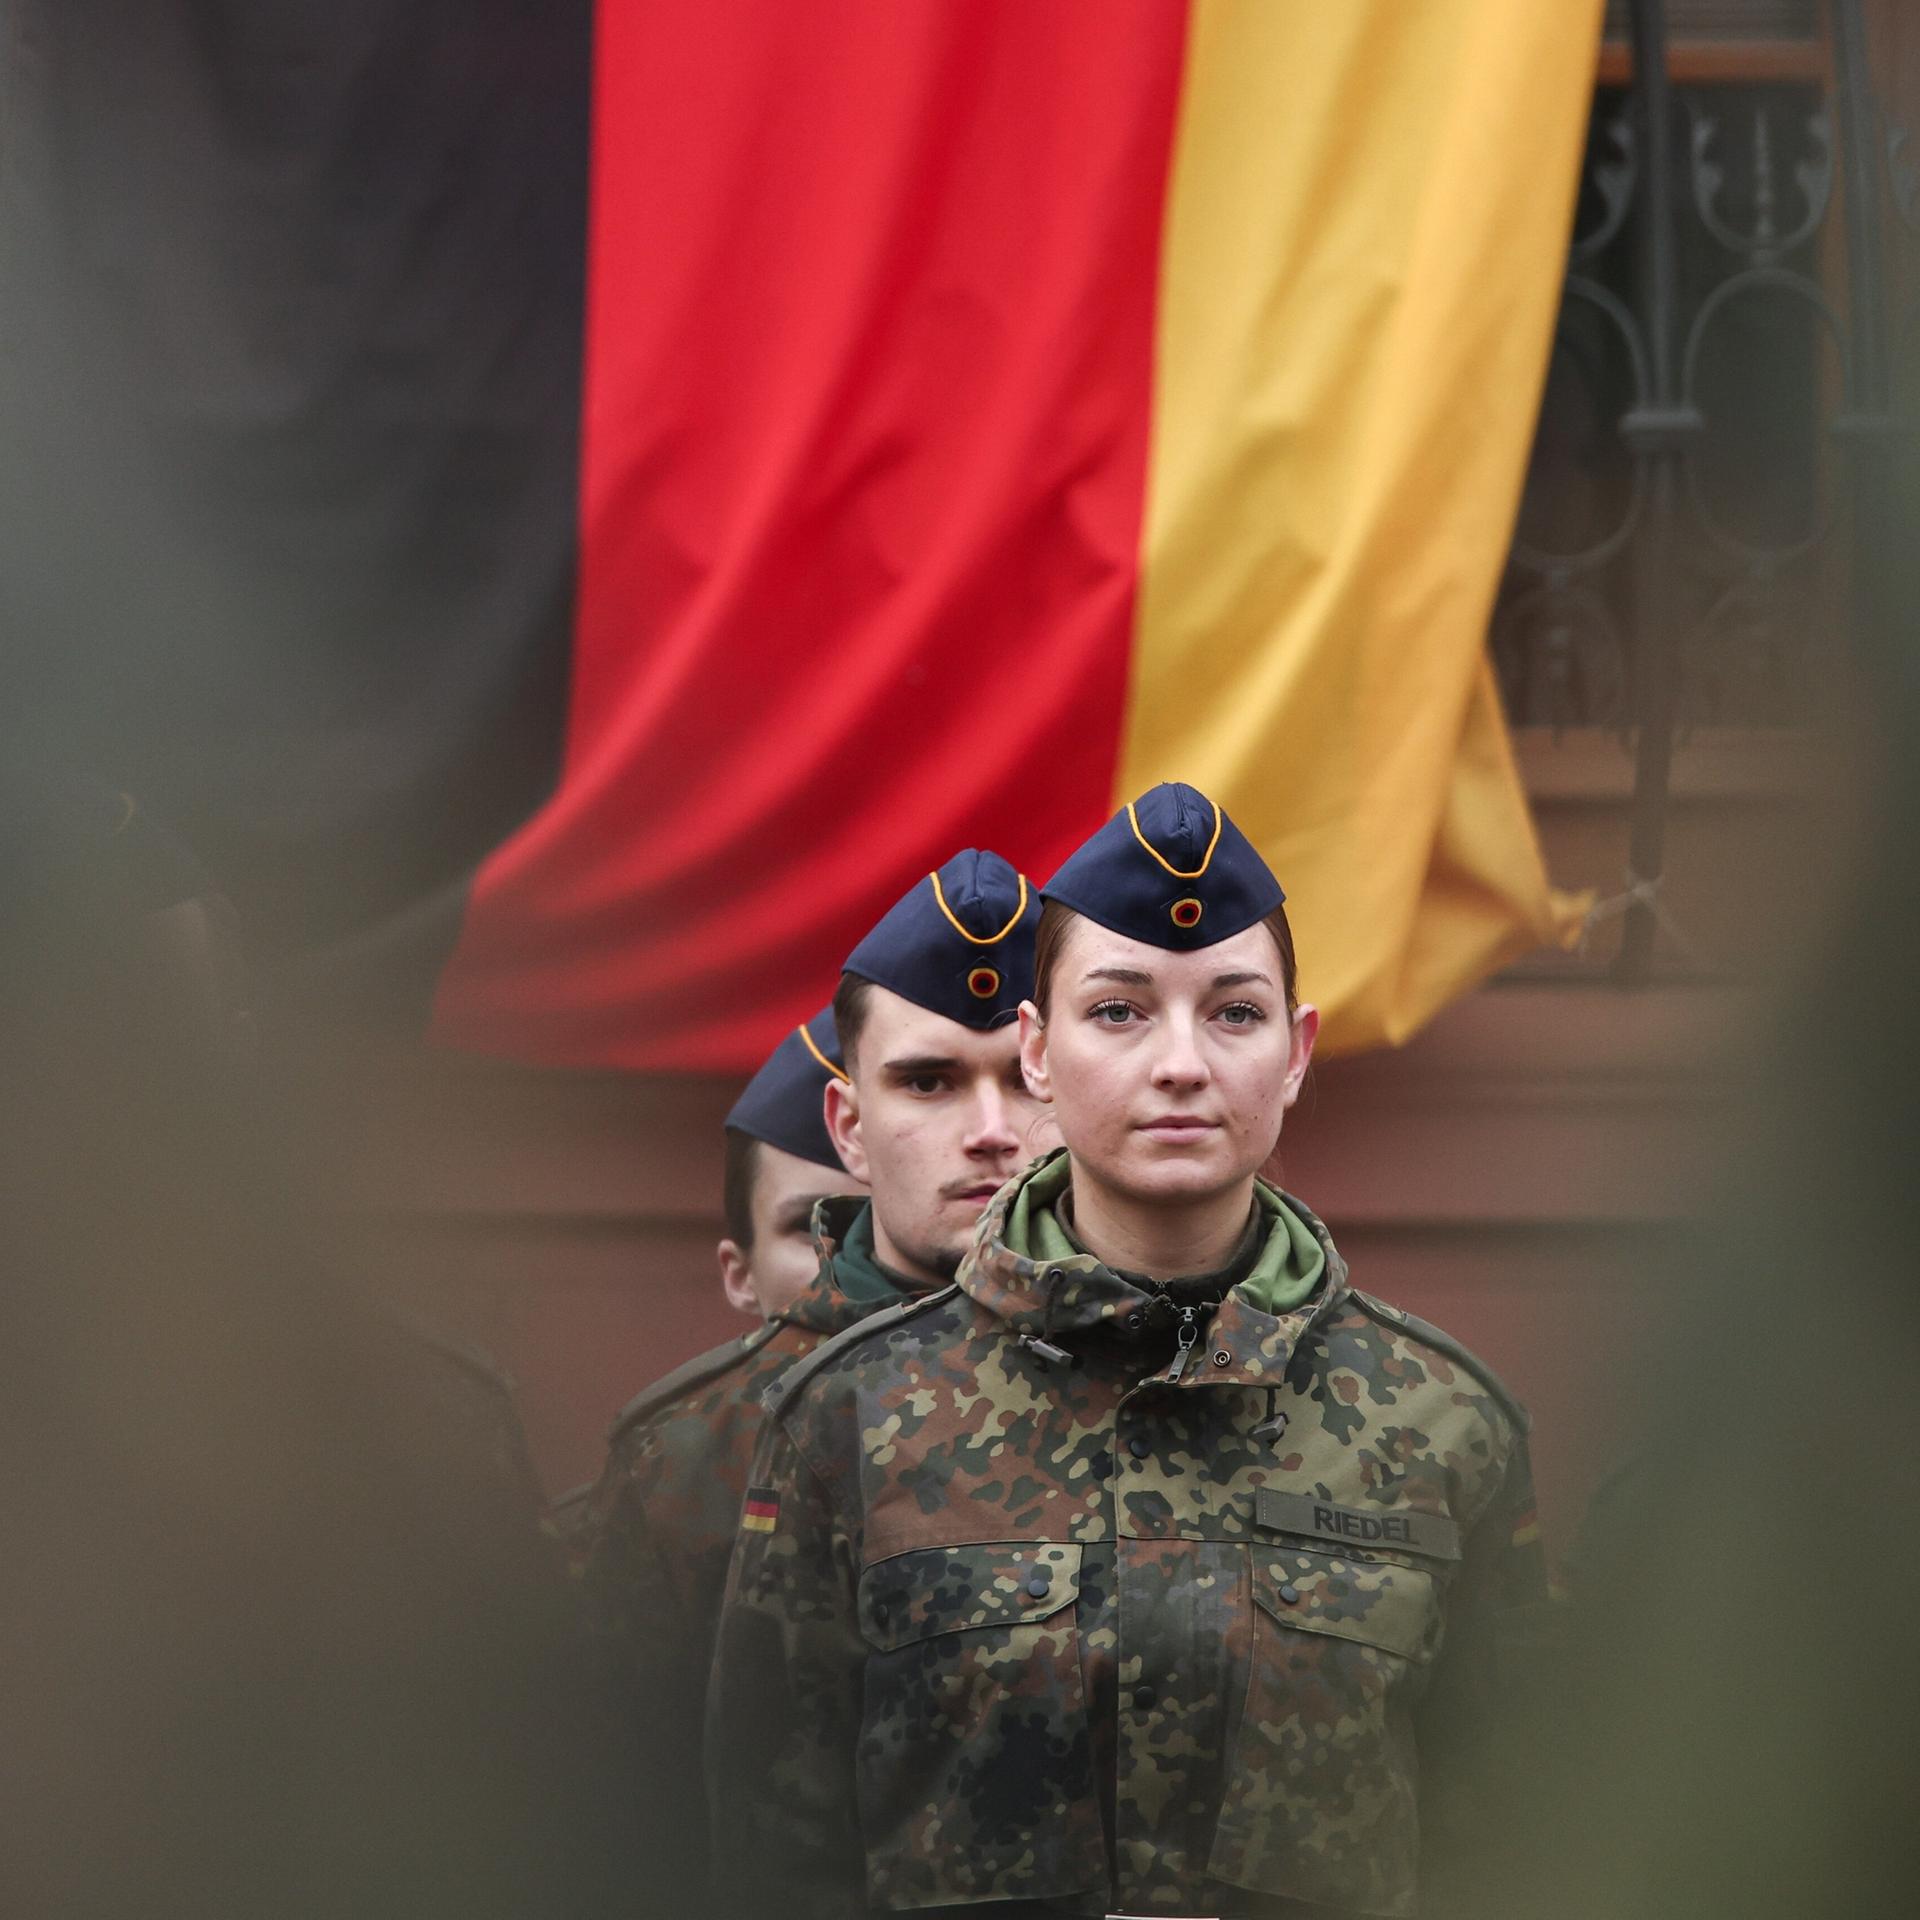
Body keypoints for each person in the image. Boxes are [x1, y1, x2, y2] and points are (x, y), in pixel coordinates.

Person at [707, 783, 1544, 1919]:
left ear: (1296, 1055)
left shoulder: (1441, 1420)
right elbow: (772, 1856)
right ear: (1038, 1052)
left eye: (1235, 1013)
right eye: (1121, 1011)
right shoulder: (852, 1414)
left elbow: (1506, 1843)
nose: (1183, 1064)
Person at [580, 848, 1047, 1905]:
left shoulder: (1207, 1381)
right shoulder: (694, 1452)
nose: (990, 1131)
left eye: (1022, 1075)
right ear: (849, 1128)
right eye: (929, 1079)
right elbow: (606, 1833)